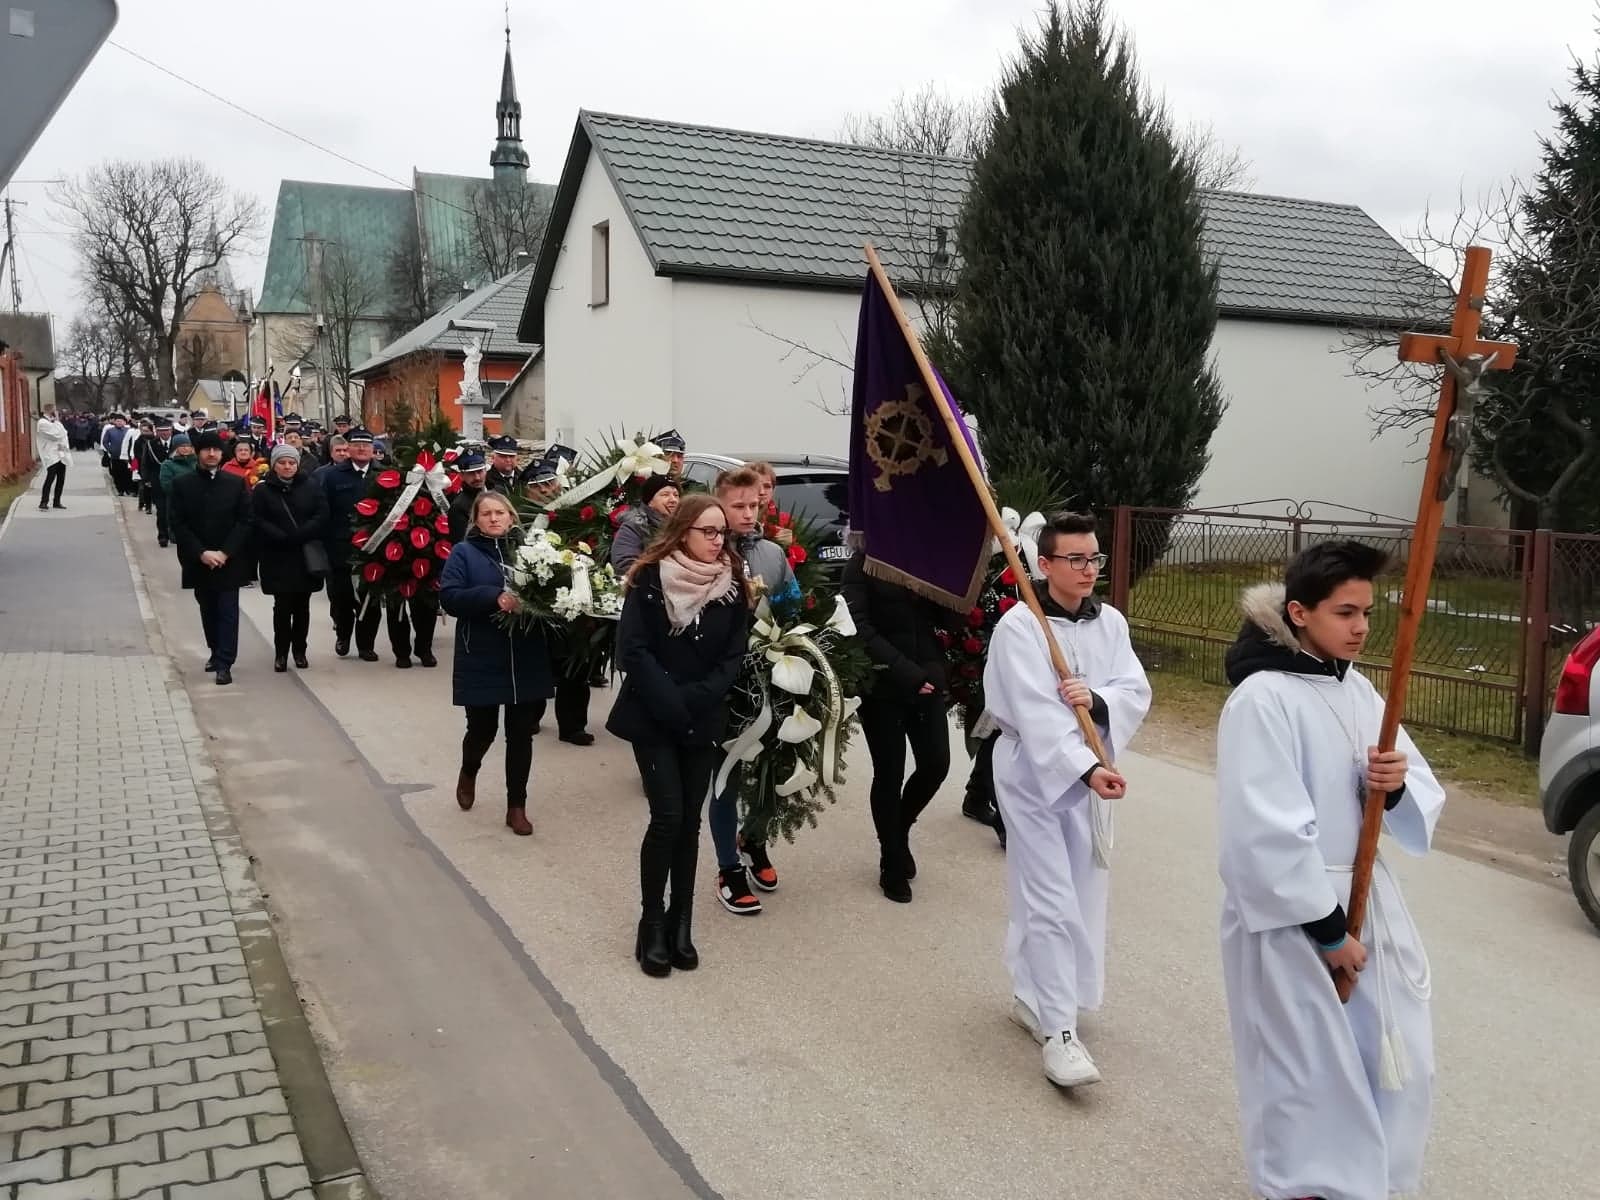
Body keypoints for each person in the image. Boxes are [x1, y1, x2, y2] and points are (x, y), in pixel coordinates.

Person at [1217, 541, 1444, 1200]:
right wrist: (1327, 931)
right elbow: (1262, 830)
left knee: (1396, 1059)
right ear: (1299, 613)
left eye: (1367, 612)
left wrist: (1392, 788)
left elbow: (1416, 788)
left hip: (1370, 901)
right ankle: (1304, 1187)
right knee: (1308, 1073)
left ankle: (1378, 1185)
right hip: (1296, 916)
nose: (1361, 627)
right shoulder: (1263, 699)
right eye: (1345, 613)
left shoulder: (1362, 690)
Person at [983, 512, 1150, 1090]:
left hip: (1091, 770)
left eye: (1093, 558)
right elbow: (1034, 712)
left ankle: (1034, 994)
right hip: (1033, 773)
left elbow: (1134, 689)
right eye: (1074, 559)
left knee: (1080, 890)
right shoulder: (1021, 628)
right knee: (1049, 893)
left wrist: (1097, 699)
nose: (1087, 569)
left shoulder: (1112, 623)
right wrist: (1085, 768)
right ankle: (1060, 1031)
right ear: (1044, 564)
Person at [607, 493, 752, 976]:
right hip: (654, 714)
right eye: (708, 531)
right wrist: (673, 701)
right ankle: (651, 923)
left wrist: (701, 697)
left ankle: (680, 922)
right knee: (667, 817)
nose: (717, 541)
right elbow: (633, 649)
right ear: (683, 532)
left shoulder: (733, 584)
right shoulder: (650, 577)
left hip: (703, 714)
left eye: (722, 533)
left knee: (689, 822)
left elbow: (734, 654)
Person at [704, 467, 799, 914]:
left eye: (754, 505)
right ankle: (728, 868)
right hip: (721, 685)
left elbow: (792, 605)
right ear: (718, 504)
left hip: (767, 678)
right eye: (737, 506)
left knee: (769, 771)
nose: (748, 514)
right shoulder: (705, 552)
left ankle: (753, 839)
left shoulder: (771, 554)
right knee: (726, 777)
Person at [841, 547, 955, 906]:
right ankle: (890, 858)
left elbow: (947, 620)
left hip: (928, 680)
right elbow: (858, 626)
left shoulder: (925, 558)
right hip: (882, 686)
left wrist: (952, 587)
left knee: (936, 764)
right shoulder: (863, 562)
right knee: (889, 772)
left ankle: (899, 829)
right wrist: (905, 672)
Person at [439, 490, 554, 838]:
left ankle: (516, 806)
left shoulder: (533, 550)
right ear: (476, 520)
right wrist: (494, 597)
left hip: (526, 653)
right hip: (482, 654)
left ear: (511, 517)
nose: (493, 518)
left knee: (521, 734)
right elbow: (450, 596)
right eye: (486, 513)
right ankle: (469, 769)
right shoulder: (464, 552)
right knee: (482, 729)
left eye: (499, 513)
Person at [518, 448, 594, 741]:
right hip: (536, 602)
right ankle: (530, 717)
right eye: (537, 486)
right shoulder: (520, 517)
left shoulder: (574, 513)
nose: (546, 490)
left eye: (550, 483)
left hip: (575, 599)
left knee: (576, 664)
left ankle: (573, 726)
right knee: (536, 664)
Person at [168, 430, 254, 686]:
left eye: (216, 449)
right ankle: (215, 651)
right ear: (198, 453)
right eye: (207, 449)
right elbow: (178, 523)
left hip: (229, 559)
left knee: (228, 610)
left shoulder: (235, 483)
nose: (212, 454)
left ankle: (225, 662)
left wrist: (225, 552)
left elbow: (245, 521)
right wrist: (201, 552)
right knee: (208, 609)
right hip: (199, 559)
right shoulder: (183, 484)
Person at [250, 444, 330, 672]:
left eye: (291, 462)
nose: (287, 467)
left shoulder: (311, 486)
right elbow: (256, 518)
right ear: (274, 465)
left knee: (302, 607)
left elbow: (322, 513)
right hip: (277, 555)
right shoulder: (263, 490)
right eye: (282, 463)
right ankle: (281, 653)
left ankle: (300, 651)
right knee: (282, 607)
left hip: (304, 555)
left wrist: (304, 532)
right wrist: (278, 535)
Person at [319, 427, 382, 661]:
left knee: (370, 599)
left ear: (373, 448)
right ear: (349, 448)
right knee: (342, 598)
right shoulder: (333, 476)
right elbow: (323, 511)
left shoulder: (385, 474)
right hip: (342, 547)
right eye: (357, 445)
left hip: (374, 548)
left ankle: (366, 645)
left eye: (366, 445)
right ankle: (343, 636)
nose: (362, 449)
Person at [610, 475, 680, 574]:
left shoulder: (686, 526)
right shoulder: (635, 526)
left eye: (676, 495)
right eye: (665, 495)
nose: (673, 500)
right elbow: (624, 564)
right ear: (650, 501)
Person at [746, 460, 793, 548]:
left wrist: (788, 544)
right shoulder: (736, 517)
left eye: (767, 486)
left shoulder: (784, 520)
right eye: (756, 486)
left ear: (773, 490)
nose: (762, 492)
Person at [158, 432, 197, 535]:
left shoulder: (197, 463)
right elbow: (167, 486)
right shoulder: (168, 465)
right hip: (177, 506)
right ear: (176, 448)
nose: (186, 448)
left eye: (188, 446)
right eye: (182, 446)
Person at [447, 450, 488, 544]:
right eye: (471, 473)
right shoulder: (458, 507)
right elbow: (461, 544)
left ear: (485, 470)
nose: (477, 477)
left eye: (480, 471)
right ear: (461, 476)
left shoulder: (498, 493)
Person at [34, 405, 69, 511]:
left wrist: (64, 452)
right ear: (50, 411)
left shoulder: (54, 422)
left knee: (61, 479)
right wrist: (57, 422)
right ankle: (43, 502)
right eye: (54, 410)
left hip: (60, 453)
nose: (56, 412)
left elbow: (64, 434)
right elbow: (56, 435)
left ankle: (57, 501)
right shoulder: (42, 423)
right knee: (50, 478)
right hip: (50, 455)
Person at [101, 413, 136, 496]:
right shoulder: (110, 431)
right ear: (114, 422)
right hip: (115, 456)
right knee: (117, 473)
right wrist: (110, 450)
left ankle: (128, 489)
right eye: (117, 421)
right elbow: (105, 442)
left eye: (121, 421)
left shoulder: (129, 431)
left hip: (127, 457)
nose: (119, 423)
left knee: (128, 473)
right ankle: (120, 489)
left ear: (125, 422)